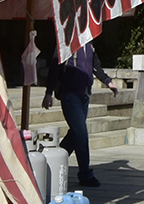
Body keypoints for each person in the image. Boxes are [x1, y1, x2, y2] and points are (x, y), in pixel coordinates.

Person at [42, 40, 116, 188]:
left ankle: (53, 162)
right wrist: (48, 93)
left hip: (85, 95)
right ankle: (85, 174)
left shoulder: (89, 44)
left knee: (75, 134)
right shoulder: (65, 43)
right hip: (70, 95)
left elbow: (96, 66)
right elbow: (55, 67)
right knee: (81, 134)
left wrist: (108, 82)